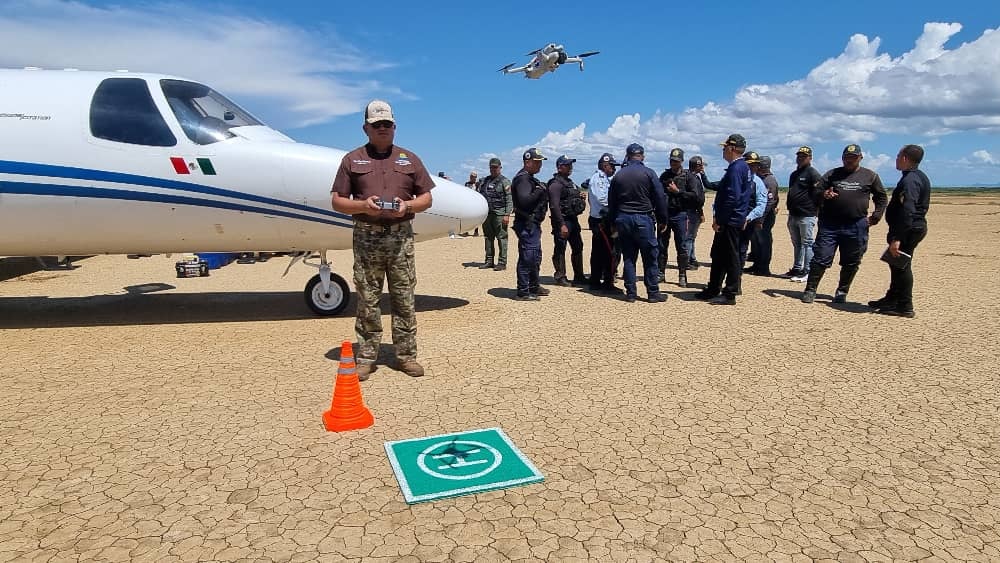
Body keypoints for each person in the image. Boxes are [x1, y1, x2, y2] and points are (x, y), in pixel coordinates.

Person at [330, 99, 434, 380]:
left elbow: (427, 197)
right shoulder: (352, 160)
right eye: (376, 125)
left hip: (400, 240)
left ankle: (406, 356)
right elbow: (337, 201)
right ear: (366, 128)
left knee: (404, 298)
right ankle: (366, 357)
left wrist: (408, 206)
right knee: (368, 299)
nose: (382, 128)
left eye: (387, 124)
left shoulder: (409, 159)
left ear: (394, 126)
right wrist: (363, 206)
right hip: (367, 239)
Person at [801, 144, 888, 304]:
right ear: (842, 158)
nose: (849, 161)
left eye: (853, 158)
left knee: (852, 260)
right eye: (847, 158)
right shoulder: (832, 174)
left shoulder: (870, 176)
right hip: (830, 224)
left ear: (860, 158)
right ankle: (811, 289)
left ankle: (842, 291)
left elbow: (881, 198)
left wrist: (875, 217)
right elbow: (815, 192)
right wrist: (824, 194)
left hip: (856, 225)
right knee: (821, 257)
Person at [870, 144, 931, 318]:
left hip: (908, 229)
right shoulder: (915, 176)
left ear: (905, 158)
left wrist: (898, 238)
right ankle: (892, 299)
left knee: (902, 267)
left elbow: (908, 210)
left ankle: (905, 305)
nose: (896, 159)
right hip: (910, 228)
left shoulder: (910, 180)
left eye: (898, 156)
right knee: (896, 265)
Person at [696, 134, 754, 305]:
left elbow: (732, 197)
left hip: (730, 220)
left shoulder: (737, 168)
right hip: (731, 218)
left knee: (730, 256)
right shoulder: (741, 167)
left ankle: (730, 293)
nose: (723, 150)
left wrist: (720, 219)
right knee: (719, 255)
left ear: (732, 148)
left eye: (724, 147)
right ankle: (713, 288)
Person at [608, 143, 669, 303]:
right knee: (650, 256)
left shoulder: (619, 175)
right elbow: (660, 197)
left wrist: (612, 222)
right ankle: (653, 292)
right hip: (643, 218)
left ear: (627, 156)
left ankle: (630, 293)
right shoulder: (649, 173)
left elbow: (612, 202)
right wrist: (663, 219)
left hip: (623, 218)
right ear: (642, 156)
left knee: (629, 256)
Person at [658, 148, 704, 288]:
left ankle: (682, 275)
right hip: (666, 215)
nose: (674, 163)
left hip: (681, 214)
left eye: (676, 161)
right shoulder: (664, 176)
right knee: (661, 245)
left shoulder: (689, 177)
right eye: (672, 160)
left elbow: (696, 197)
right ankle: (660, 273)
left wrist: (678, 192)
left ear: (681, 161)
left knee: (682, 247)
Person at [510, 148, 552, 301]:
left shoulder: (529, 178)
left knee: (535, 256)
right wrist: (539, 192)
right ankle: (523, 291)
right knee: (528, 257)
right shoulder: (523, 179)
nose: (540, 165)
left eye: (540, 162)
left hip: (533, 224)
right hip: (527, 224)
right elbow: (524, 201)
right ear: (527, 162)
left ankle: (534, 286)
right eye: (537, 162)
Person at [784, 146, 823, 282]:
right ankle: (797, 268)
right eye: (799, 156)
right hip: (793, 214)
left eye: (804, 156)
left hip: (807, 214)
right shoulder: (794, 175)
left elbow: (819, 193)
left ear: (810, 158)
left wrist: (815, 209)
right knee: (797, 243)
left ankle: (807, 271)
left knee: (807, 243)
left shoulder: (813, 174)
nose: (800, 158)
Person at [547, 155, 587, 286]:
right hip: (562, 220)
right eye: (567, 165)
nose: (570, 167)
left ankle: (579, 276)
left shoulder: (570, 182)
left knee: (578, 246)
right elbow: (554, 205)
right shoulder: (555, 184)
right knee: (560, 248)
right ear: (560, 167)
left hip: (572, 219)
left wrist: (580, 196)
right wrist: (561, 224)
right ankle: (560, 276)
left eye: (571, 165)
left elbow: (573, 197)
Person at [587, 153, 621, 293]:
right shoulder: (598, 179)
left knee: (602, 251)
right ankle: (606, 283)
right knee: (607, 252)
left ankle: (597, 281)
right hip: (601, 220)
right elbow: (603, 199)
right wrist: (619, 204)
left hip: (604, 220)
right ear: (604, 165)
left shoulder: (607, 178)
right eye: (612, 166)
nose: (614, 169)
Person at [745, 155, 779, 276]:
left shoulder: (769, 180)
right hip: (758, 216)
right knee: (756, 241)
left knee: (764, 242)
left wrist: (761, 219)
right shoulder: (760, 179)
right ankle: (756, 265)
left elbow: (770, 202)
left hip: (765, 217)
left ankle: (764, 268)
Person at [476, 158, 512, 270]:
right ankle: (489, 260)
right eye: (492, 167)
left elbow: (509, 199)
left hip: (499, 214)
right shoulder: (484, 181)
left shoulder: (504, 182)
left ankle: (502, 262)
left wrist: (507, 214)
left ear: (500, 167)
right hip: (487, 214)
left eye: (496, 167)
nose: (493, 169)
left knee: (502, 238)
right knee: (488, 237)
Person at [739, 151, 768, 275]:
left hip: (746, 223)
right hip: (730, 220)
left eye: (755, 165)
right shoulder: (734, 178)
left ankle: (735, 282)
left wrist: (748, 218)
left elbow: (761, 205)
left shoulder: (758, 182)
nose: (753, 167)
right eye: (750, 164)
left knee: (741, 250)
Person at [686, 156, 709, 268]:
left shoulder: (693, 177)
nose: (703, 168)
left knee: (691, 237)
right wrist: (700, 212)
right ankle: (687, 261)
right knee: (689, 237)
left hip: (693, 211)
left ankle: (692, 258)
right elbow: (696, 198)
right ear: (698, 166)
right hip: (692, 211)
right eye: (701, 166)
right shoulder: (693, 178)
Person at [464, 172, 480, 236]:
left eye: (474, 176)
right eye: (472, 176)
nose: (473, 178)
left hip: (475, 203)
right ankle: (466, 231)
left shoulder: (477, 184)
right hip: (468, 203)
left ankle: (476, 231)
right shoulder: (467, 184)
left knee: (476, 218)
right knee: (467, 217)